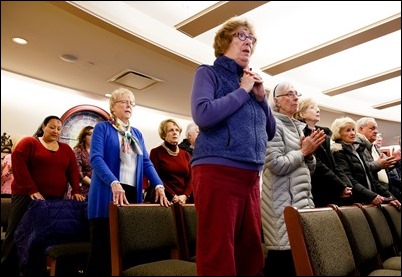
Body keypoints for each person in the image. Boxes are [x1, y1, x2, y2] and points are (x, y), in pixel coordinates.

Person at [190, 16, 276, 276]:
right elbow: (202, 115)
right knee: (218, 252)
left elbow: (269, 132)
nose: (248, 42)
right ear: (225, 40)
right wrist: (242, 91)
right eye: (241, 36)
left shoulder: (251, 83)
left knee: (249, 252)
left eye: (251, 39)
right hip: (218, 170)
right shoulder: (208, 73)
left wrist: (261, 100)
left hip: (251, 176)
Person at [86, 87, 171, 276]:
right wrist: (113, 182)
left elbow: (146, 162)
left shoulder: (137, 134)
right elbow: (96, 158)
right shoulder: (102, 128)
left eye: (131, 103)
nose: (129, 105)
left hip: (131, 193)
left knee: (126, 249)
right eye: (124, 101)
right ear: (113, 107)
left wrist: (158, 185)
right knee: (101, 252)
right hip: (108, 191)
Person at [0, 115, 85, 276]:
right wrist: (31, 189)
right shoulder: (29, 142)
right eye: (52, 127)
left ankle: (34, 270)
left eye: (59, 129)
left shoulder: (66, 149)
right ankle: (7, 269)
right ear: (43, 127)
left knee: (43, 236)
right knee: (16, 232)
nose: (56, 131)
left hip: (53, 201)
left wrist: (75, 191)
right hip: (27, 197)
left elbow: (73, 171)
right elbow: (19, 164)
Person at [261, 82, 326, 276]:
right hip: (281, 202)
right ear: (277, 101)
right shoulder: (272, 124)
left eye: (296, 93)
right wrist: (304, 151)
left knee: (298, 260)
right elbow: (276, 164)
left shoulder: (298, 127)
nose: (296, 97)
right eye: (289, 94)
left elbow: (308, 169)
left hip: (302, 201)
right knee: (282, 259)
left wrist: (309, 154)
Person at [330, 117, 400, 209]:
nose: (352, 133)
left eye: (353, 130)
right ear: (338, 133)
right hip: (356, 204)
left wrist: (391, 198)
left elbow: (371, 179)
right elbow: (351, 181)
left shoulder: (357, 150)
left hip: (368, 200)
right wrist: (372, 196)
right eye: (347, 130)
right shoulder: (338, 152)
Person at [294, 98, 352, 207]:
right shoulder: (301, 133)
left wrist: (346, 184)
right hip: (317, 188)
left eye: (317, 107)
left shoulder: (324, 133)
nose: (318, 110)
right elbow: (318, 164)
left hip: (333, 187)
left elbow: (334, 164)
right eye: (312, 108)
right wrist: (339, 186)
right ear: (302, 114)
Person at [146, 119, 192, 205]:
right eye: (171, 130)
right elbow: (155, 177)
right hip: (163, 200)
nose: (175, 133)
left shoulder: (186, 155)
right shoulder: (156, 152)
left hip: (183, 201)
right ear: (164, 134)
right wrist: (172, 196)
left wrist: (185, 195)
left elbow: (191, 179)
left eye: (177, 130)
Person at [355, 117, 401, 201]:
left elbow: (383, 168)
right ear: (361, 129)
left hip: (383, 191)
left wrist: (396, 161)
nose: (376, 131)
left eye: (376, 128)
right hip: (371, 194)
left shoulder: (375, 147)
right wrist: (378, 165)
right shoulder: (356, 146)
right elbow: (360, 169)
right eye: (372, 128)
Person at [73, 125, 94, 200]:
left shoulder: (98, 152)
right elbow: (78, 173)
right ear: (84, 137)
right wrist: (94, 184)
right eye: (90, 134)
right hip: (82, 189)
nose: (93, 136)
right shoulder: (78, 151)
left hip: (97, 188)